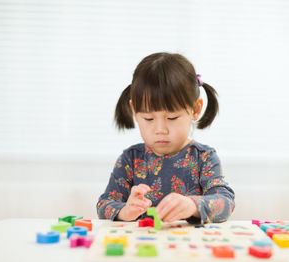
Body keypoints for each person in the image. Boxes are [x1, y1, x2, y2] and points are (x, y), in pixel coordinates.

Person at [97, 52, 235, 224]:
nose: (160, 130)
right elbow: (104, 205)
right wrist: (126, 211)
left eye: (172, 118)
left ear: (195, 109)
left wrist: (192, 205)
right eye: (148, 119)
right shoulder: (130, 159)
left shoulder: (204, 157)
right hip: (141, 247)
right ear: (134, 111)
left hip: (187, 248)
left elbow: (225, 202)